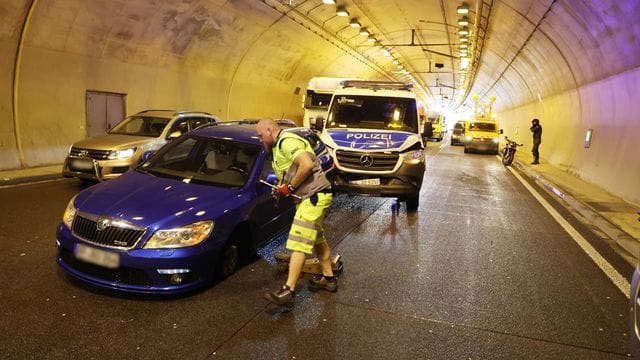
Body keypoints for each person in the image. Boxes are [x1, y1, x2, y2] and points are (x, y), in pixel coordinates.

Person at [256, 118, 337, 306]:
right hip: (311, 197)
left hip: (313, 197)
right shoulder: (279, 147)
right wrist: (282, 187)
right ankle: (329, 279)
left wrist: (290, 187)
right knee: (317, 239)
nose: (260, 140)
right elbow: (293, 171)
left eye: (261, 135)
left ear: (269, 130)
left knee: (298, 242)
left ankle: (288, 290)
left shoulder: (286, 142)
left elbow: (306, 165)